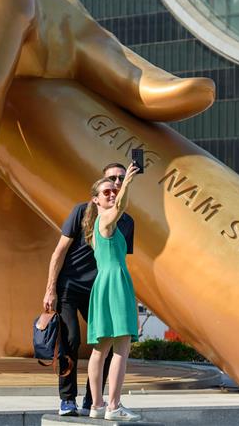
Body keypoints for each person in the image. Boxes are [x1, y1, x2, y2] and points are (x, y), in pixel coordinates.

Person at [42, 163, 134, 416]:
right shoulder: (82, 211)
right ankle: (67, 399)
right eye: (112, 179)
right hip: (71, 285)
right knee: (71, 340)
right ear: (98, 191)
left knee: (105, 344)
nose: (116, 184)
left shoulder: (127, 221)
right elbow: (59, 252)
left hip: (100, 287)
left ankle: (94, 400)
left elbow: (118, 256)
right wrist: (51, 288)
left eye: (121, 179)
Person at [85, 164, 141, 421]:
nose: (111, 193)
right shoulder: (106, 220)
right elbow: (121, 206)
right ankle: (114, 406)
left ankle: (97, 405)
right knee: (121, 347)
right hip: (115, 283)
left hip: (105, 284)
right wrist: (126, 181)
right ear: (96, 199)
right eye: (106, 191)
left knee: (102, 348)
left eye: (113, 190)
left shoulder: (99, 224)